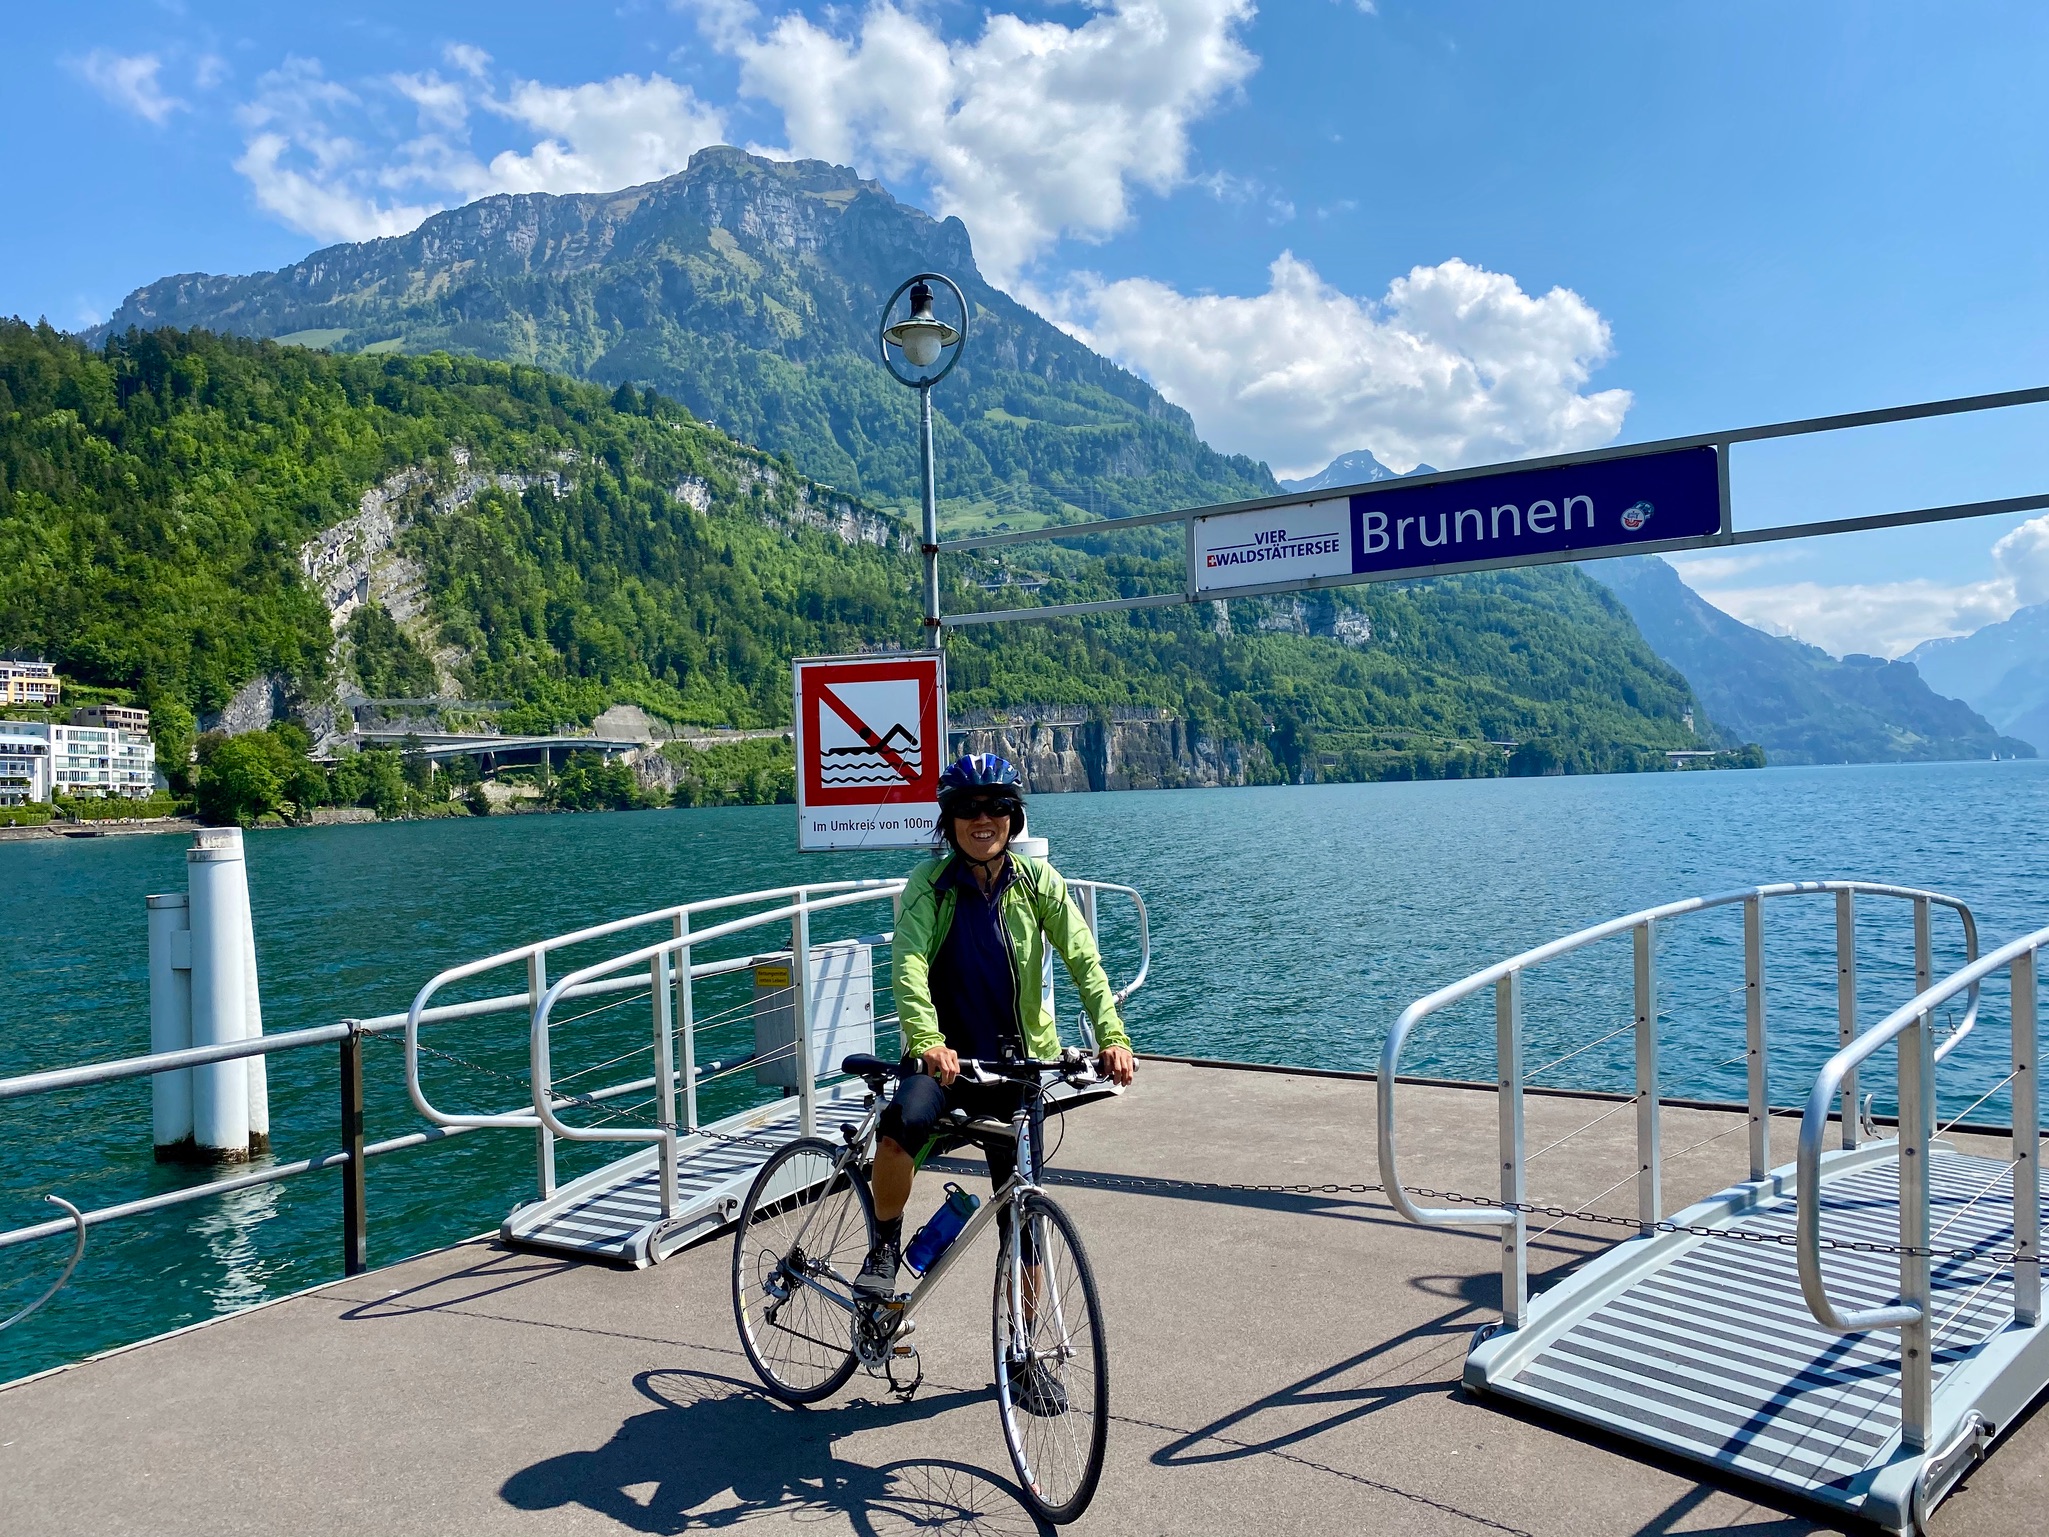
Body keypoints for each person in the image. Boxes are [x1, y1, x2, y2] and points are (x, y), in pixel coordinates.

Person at [857, 753, 1137, 1306]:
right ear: (949, 820)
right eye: (968, 808)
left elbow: (1083, 959)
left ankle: (1024, 1345)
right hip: (946, 1065)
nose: (983, 819)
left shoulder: (1038, 882)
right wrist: (928, 1041)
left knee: (1025, 1222)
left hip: (1017, 1069)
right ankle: (884, 1248)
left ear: (1014, 816)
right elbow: (908, 963)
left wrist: (1112, 1036)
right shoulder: (930, 886)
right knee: (897, 1133)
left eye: (997, 806)